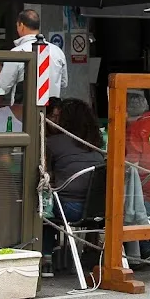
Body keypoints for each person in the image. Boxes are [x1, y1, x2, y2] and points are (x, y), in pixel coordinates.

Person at [44, 99, 105, 255]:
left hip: (69, 209)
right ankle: (91, 250)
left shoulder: (52, 143)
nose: (54, 121)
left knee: (40, 205)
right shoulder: (96, 143)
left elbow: (44, 174)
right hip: (98, 208)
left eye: (58, 118)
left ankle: (46, 254)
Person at [0, 9, 68, 105]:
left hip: (24, 113)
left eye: (17, 25)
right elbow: (63, 83)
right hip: (52, 112)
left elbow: (2, 88)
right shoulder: (58, 52)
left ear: (21, 25)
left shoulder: (17, 53)